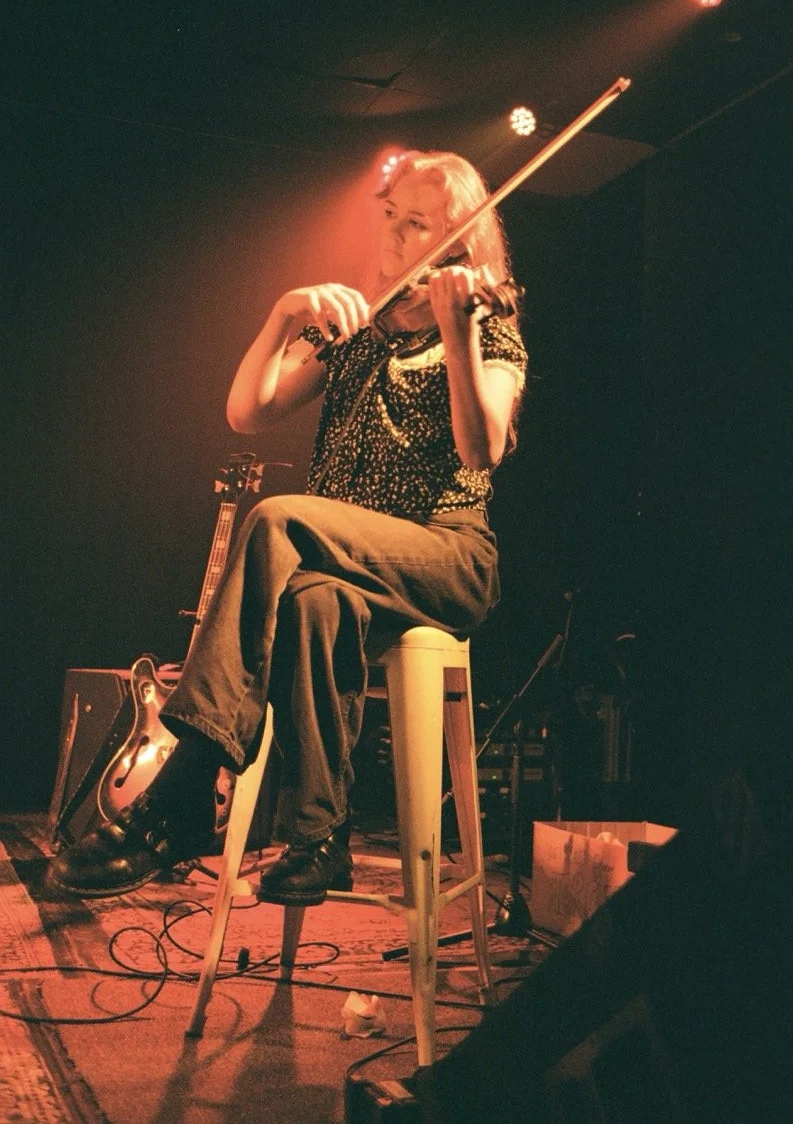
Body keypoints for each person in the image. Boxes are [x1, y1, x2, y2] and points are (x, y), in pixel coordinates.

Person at [48, 149, 528, 906]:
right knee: (311, 605)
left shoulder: (487, 330)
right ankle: (319, 837)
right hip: (341, 563)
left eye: (419, 227)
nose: (395, 240)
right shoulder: (361, 334)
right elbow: (249, 411)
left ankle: (181, 785)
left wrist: (459, 327)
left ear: (460, 244)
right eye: (392, 220)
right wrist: (282, 316)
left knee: (279, 519)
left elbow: (483, 448)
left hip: (443, 553)